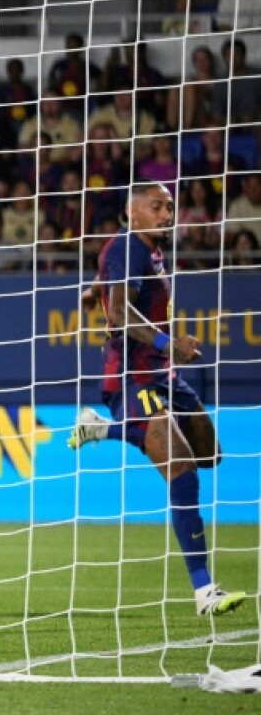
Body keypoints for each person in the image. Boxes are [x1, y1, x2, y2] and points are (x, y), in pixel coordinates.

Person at [71, 183, 246, 617]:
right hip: (134, 374)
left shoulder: (142, 249)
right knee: (182, 470)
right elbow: (119, 315)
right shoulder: (129, 247)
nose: (168, 213)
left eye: (170, 206)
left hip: (163, 374)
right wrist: (169, 343)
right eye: (157, 206)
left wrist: (95, 288)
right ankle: (205, 591)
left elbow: (110, 275)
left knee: (209, 453)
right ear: (132, 211)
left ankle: (104, 428)